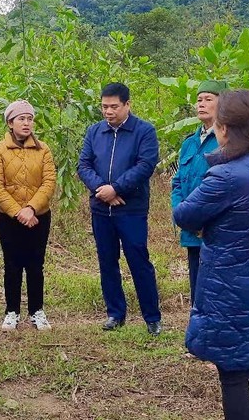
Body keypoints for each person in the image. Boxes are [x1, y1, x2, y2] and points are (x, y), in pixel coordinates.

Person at [173, 89, 249, 420]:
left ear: (223, 128)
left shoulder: (225, 176)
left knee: (233, 375)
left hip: (230, 290)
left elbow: (185, 215)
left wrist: (179, 192)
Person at [78, 82, 162, 336]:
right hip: (101, 209)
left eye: (114, 106)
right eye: (104, 106)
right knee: (107, 262)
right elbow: (83, 165)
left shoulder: (144, 131)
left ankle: (152, 317)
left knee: (139, 260)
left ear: (127, 105)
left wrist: (116, 188)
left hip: (131, 209)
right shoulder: (94, 132)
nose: (108, 111)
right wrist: (102, 189)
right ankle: (115, 313)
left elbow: (145, 165)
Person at [0, 100, 57, 331]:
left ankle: (37, 310)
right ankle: (12, 311)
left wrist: (32, 208)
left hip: (39, 216)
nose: (27, 123)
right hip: (9, 218)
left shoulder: (43, 149)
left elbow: (49, 183)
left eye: (29, 119)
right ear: (10, 123)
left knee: (36, 265)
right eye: (21, 119)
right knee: (12, 264)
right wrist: (18, 212)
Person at [171, 80, 226, 305]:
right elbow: (177, 182)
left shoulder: (227, 142)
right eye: (199, 100)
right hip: (191, 228)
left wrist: (204, 220)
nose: (201, 104)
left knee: (218, 287)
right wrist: (181, 212)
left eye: (208, 99)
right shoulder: (189, 143)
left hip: (215, 229)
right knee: (196, 284)